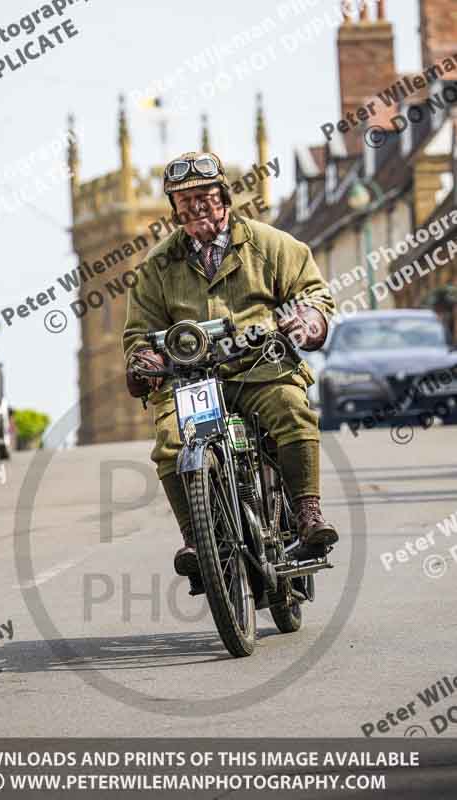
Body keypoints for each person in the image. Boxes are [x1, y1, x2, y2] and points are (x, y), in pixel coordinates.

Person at [123, 151, 338, 584]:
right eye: (184, 200)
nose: (195, 206)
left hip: (261, 369)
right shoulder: (155, 268)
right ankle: (197, 540)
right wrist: (144, 359)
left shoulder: (272, 245)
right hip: (192, 382)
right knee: (169, 440)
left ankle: (307, 515)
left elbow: (315, 295)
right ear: (173, 209)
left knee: (292, 409)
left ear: (223, 196)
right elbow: (138, 335)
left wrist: (309, 320)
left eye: (204, 195)